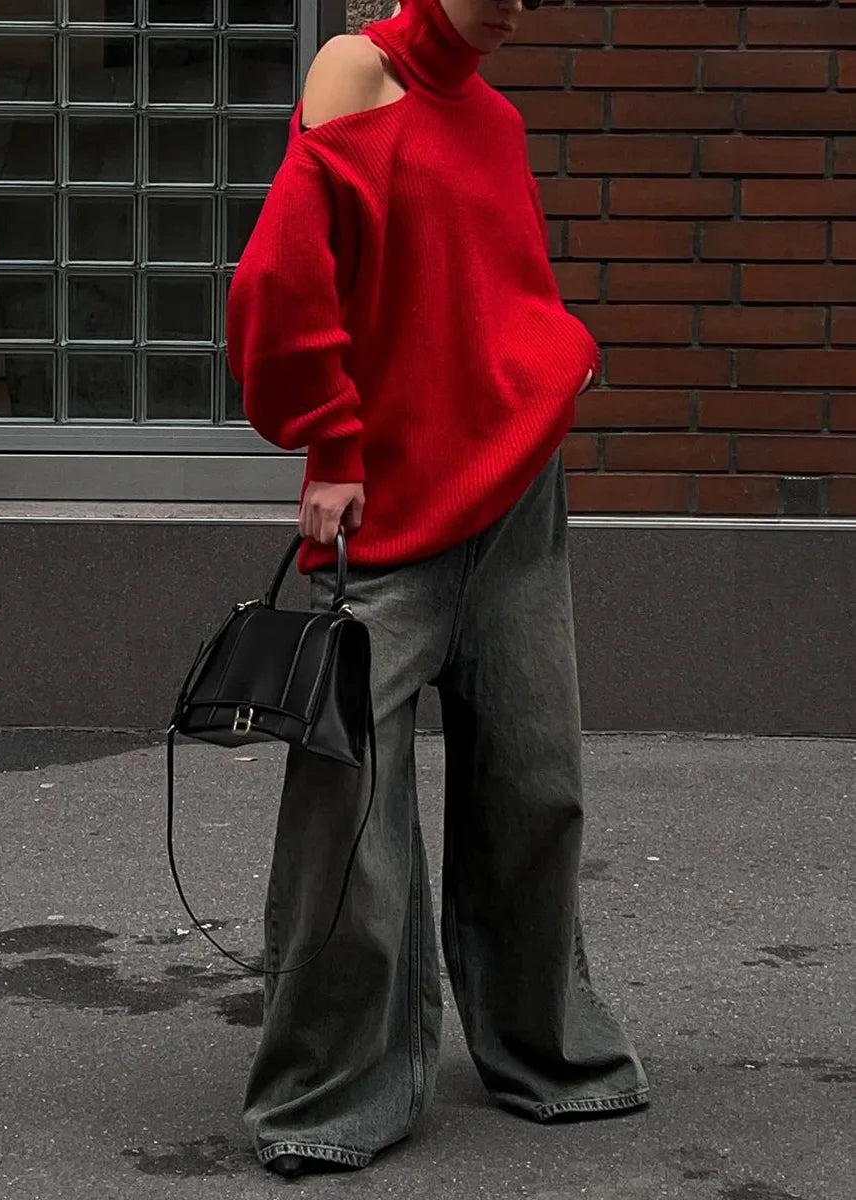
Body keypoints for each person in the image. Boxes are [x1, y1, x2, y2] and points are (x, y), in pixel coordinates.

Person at [225, 0, 649, 1178]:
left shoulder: (497, 123)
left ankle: (545, 1051)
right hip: (388, 516)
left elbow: (490, 291)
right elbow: (282, 279)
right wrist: (330, 446)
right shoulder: (357, 71)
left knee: (535, 782)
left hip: (516, 504)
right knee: (346, 806)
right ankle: (329, 1091)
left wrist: (552, 353)